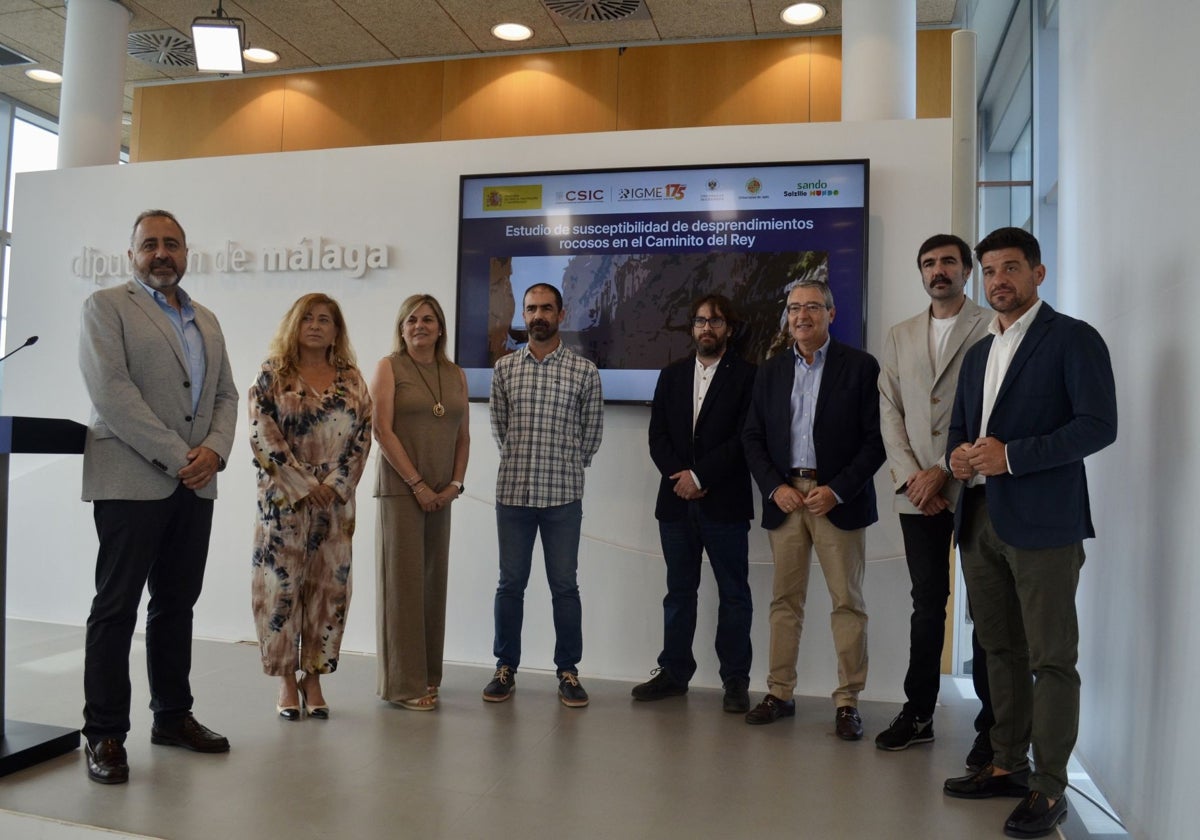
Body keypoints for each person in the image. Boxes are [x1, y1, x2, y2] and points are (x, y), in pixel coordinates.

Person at [941, 228, 1117, 839]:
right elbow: (961, 431)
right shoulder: (977, 354)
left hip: (1043, 521)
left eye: (1010, 268)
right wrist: (958, 459)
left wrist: (1010, 456)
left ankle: (1049, 788)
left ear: (1038, 273)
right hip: (980, 519)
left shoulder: (1073, 339)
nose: (998, 282)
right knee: (997, 651)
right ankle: (1006, 763)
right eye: (989, 271)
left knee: (1050, 658)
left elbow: (1097, 426)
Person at [78, 209, 238, 784]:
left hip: (196, 485)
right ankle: (104, 734)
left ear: (187, 253)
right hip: (131, 479)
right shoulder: (107, 308)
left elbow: (226, 395)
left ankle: (172, 717)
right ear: (132, 255)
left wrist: (215, 451)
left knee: (176, 605)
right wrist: (180, 455)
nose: (162, 253)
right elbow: (113, 393)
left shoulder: (208, 320)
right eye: (150, 244)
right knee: (115, 606)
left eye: (172, 244)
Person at [741, 280, 884, 738]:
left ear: (831, 313)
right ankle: (779, 692)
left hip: (835, 500)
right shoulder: (770, 371)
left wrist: (838, 489)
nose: (802, 315)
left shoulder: (861, 368)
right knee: (785, 602)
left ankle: (847, 702)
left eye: (812, 307)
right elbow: (753, 438)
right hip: (786, 498)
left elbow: (876, 440)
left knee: (848, 603)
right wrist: (773, 487)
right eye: (794, 307)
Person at [875, 234, 995, 765]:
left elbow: (993, 409)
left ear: (966, 271)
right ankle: (917, 712)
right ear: (920, 273)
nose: (938, 270)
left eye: (948, 261)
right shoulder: (900, 334)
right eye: (928, 263)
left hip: (976, 489)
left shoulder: (991, 325)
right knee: (927, 606)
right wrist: (910, 478)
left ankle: (994, 724)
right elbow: (890, 411)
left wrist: (942, 471)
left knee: (990, 610)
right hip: (916, 497)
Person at [248, 293, 372, 721]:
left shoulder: (352, 379)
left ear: (337, 330)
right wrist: (303, 482)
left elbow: (362, 437)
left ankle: (313, 679)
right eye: (308, 319)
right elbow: (261, 434)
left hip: (334, 507)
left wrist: (333, 484)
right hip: (282, 504)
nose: (316, 326)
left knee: (326, 592)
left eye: (325, 320)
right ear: (294, 326)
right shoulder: (272, 375)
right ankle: (285, 680)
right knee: (281, 591)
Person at [633, 294, 756, 713]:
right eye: (701, 321)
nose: (708, 328)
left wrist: (701, 476)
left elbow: (745, 440)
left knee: (734, 595)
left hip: (725, 502)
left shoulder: (748, 377)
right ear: (692, 328)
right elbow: (658, 437)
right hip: (675, 504)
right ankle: (673, 673)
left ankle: (736, 680)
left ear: (729, 328)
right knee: (679, 592)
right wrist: (682, 479)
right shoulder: (671, 375)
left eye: (716, 321)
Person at [483, 283, 603, 708]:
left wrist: (565, 464)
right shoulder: (504, 370)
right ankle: (505, 668)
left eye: (546, 309)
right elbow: (500, 428)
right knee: (510, 585)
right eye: (531, 309)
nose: (538, 316)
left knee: (565, 587)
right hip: (513, 493)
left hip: (563, 496)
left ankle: (568, 671)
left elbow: (592, 436)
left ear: (561, 314)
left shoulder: (584, 372)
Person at [371, 294, 469, 711]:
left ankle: (428, 676)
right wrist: (417, 484)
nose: (420, 326)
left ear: (441, 327)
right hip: (401, 490)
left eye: (428, 319)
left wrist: (455, 485)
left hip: (442, 494)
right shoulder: (389, 368)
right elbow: (381, 429)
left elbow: (463, 436)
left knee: (432, 586)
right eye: (411, 319)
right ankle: (402, 685)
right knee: (402, 588)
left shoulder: (455, 373)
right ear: (401, 327)